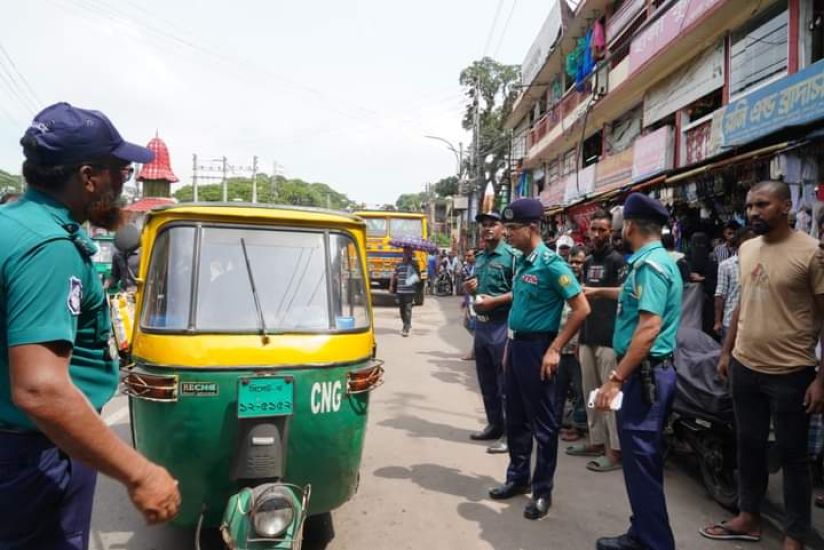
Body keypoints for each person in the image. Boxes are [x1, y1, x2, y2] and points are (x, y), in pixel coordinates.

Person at [0, 102, 181, 549]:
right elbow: (41, 390)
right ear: (88, 177)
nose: (126, 182)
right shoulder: (50, 249)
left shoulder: (12, 224)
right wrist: (141, 473)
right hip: (31, 454)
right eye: (120, 171)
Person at [701, 181, 824, 550]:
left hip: (792, 371)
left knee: (793, 455)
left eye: (763, 204)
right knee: (748, 444)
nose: (753, 212)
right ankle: (748, 516)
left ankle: (795, 535)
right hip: (745, 366)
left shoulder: (812, 253)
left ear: (786, 206)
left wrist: (821, 379)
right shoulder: (748, 247)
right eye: (750, 205)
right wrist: (727, 352)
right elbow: (742, 303)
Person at [489, 198, 590, 520]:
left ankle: (542, 491)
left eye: (513, 229)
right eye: (506, 228)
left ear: (532, 228)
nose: (507, 235)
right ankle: (518, 478)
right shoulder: (522, 260)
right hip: (517, 347)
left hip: (539, 351)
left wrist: (555, 348)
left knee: (544, 426)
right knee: (515, 418)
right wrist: (508, 347)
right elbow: (520, 305)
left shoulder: (552, 264)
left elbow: (581, 308)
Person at [594, 193, 682, 550]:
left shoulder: (649, 266)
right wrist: (600, 291)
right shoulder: (655, 261)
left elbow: (648, 328)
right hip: (648, 374)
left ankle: (654, 543)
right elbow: (634, 298)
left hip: (645, 376)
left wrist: (615, 380)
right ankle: (641, 532)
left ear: (629, 226)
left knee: (642, 465)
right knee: (640, 464)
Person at [568, 209, 626, 472]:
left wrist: (598, 291)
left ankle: (614, 452)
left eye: (603, 230)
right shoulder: (589, 261)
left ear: (611, 232)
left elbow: (626, 293)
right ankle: (595, 441)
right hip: (588, 336)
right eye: (594, 229)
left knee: (609, 397)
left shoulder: (618, 261)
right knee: (591, 392)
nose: (598, 234)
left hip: (609, 339)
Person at [466, 212, 518, 455]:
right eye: (484, 226)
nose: (487, 229)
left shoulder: (513, 258)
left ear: (503, 229)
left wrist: (494, 301)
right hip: (482, 326)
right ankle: (494, 425)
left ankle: (510, 434)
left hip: (502, 324)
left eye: (492, 225)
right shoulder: (480, 257)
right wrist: (469, 287)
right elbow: (476, 288)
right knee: (486, 380)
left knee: (505, 383)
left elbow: (521, 292)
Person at [555, 246, 588, 443]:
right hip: (559, 346)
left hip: (577, 347)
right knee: (557, 390)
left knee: (580, 390)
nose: (575, 265)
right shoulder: (562, 282)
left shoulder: (587, 287)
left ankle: (578, 426)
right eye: (573, 261)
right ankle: (554, 422)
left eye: (579, 262)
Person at [712, 227, 755, 341]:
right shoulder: (726, 266)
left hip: (754, 322)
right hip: (730, 321)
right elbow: (720, 294)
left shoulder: (760, 264)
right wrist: (717, 321)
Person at [389, 247, 420, 337]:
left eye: (409, 252)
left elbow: (418, 277)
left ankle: (406, 328)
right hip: (400, 290)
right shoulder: (399, 264)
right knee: (401, 310)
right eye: (405, 252)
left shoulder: (414, 264)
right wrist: (391, 286)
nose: (407, 254)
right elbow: (394, 275)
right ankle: (406, 323)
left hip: (410, 291)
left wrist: (412, 273)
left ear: (411, 254)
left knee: (408, 309)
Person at [460, 248, 477, 361]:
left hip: (475, 302)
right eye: (466, 255)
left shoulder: (477, 268)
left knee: (474, 326)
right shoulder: (469, 268)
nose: (467, 258)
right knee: (467, 324)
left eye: (470, 255)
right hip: (469, 301)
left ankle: (473, 352)